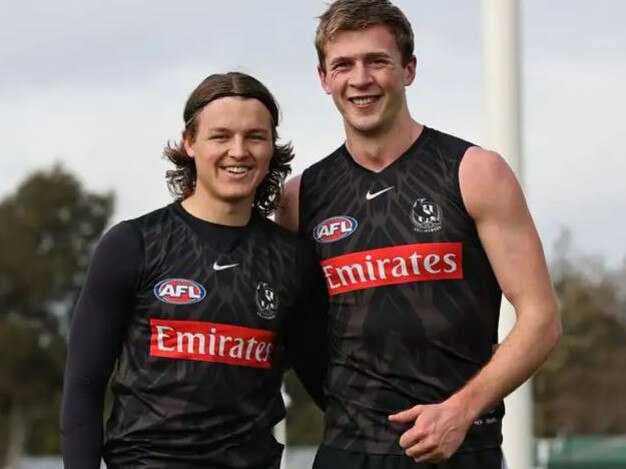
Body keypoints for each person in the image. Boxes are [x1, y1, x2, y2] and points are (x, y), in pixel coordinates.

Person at [277, 1, 561, 467]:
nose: (360, 78)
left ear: (409, 69)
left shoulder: (475, 172)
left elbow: (542, 319)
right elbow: (291, 330)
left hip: (459, 448)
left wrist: (462, 410)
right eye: (343, 65)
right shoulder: (299, 198)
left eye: (378, 61)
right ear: (324, 78)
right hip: (347, 452)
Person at [60, 71, 328, 469]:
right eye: (221, 136)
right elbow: (83, 386)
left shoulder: (292, 259)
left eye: (255, 137)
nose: (239, 151)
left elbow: (330, 385)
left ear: (272, 147)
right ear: (189, 143)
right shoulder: (133, 244)